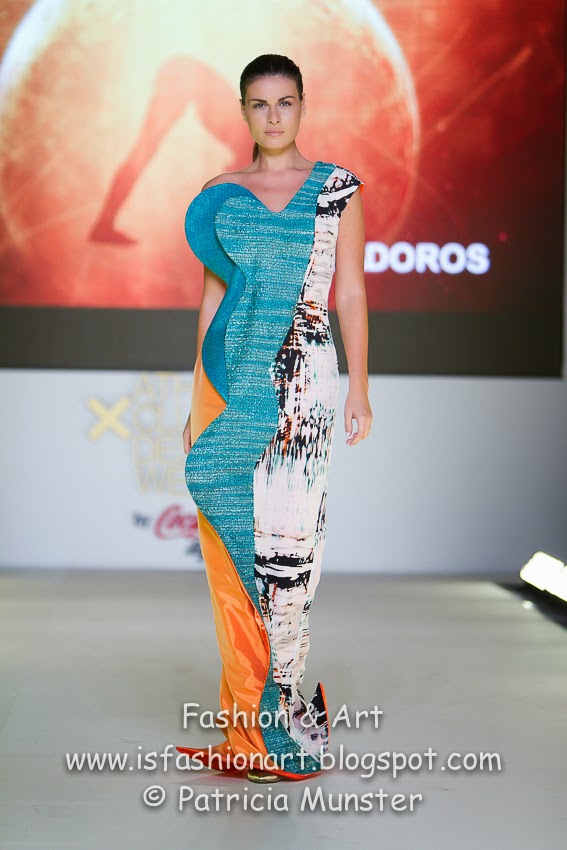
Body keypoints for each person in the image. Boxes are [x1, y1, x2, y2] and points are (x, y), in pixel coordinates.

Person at [176, 54, 372, 783]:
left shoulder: (336, 191)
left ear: (302, 106)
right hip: (231, 383)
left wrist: (359, 388)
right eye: (259, 104)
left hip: (307, 385)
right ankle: (246, 728)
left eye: (285, 102)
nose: (273, 116)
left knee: (289, 553)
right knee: (235, 549)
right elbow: (211, 301)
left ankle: (279, 717)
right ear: (243, 111)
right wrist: (195, 400)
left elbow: (350, 292)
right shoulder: (221, 195)